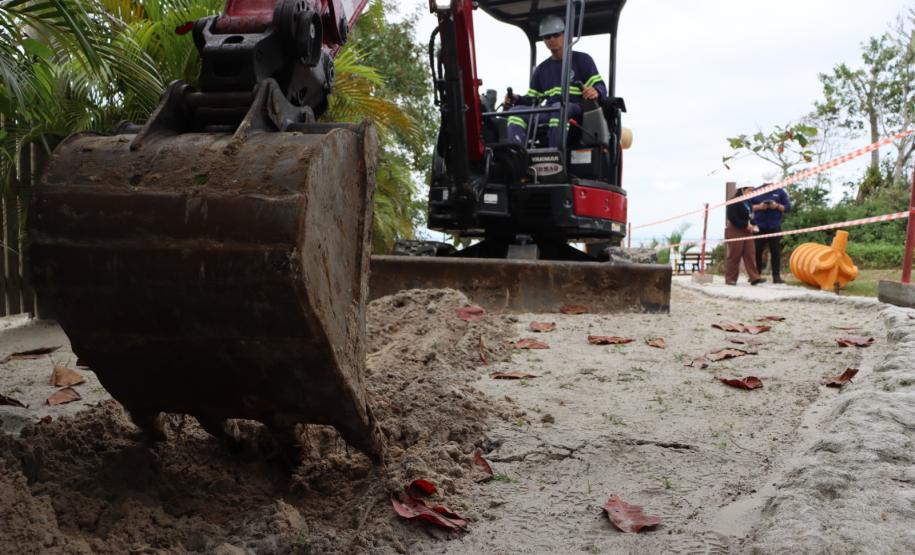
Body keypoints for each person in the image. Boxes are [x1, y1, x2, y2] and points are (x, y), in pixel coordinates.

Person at [504, 14, 606, 148]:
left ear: (564, 35)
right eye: (547, 36)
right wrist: (516, 99)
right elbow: (532, 100)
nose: (552, 39)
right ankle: (517, 157)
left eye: (556, 35)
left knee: (559, 108)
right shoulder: (541, 69)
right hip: (551, 110)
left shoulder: (583, 60)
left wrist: (595, 91)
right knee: (515, 112)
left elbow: (601, 86)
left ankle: (554, 154)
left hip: (576, 109)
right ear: (544, 40)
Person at [725, 185, 766, 286]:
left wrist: (754, 224)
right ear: (742, 190)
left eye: (752, 190)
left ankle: (754, 277)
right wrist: (745, 225)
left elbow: (749, 216)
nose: (751, 192)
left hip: (747, 231)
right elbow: (732, 217)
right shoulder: (733, 201)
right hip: (735, 230)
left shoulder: (748, 202)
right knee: (735, 255)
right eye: (749, 190)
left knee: (750, 254)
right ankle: (731, 279)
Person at [750, 182, 791, 283]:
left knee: (775, 251)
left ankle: (776, 277)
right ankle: (756, 276)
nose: (767, 185)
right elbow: (747, 207)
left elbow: (788, 208)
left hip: (774, 226)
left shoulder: (780, 191)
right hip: (758, 226)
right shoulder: (755, 191)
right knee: (757, 251)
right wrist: (759, 207)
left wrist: (777, 206)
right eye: (766, 184)